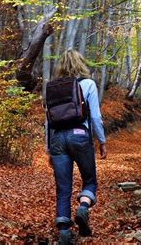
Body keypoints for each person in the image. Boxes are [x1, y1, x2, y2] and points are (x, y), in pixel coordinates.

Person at [45, 49, 107, 244]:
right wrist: (102, 141)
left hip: (57, 139)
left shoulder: (52, 88)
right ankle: (82, 207)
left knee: (63, 188)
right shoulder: (88, 84)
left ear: (61, 66)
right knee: (89, 181)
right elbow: (95, 116)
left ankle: (64, 233)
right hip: (80, 135)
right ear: (81, 64)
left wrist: (49, 149)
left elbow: (48, 121)